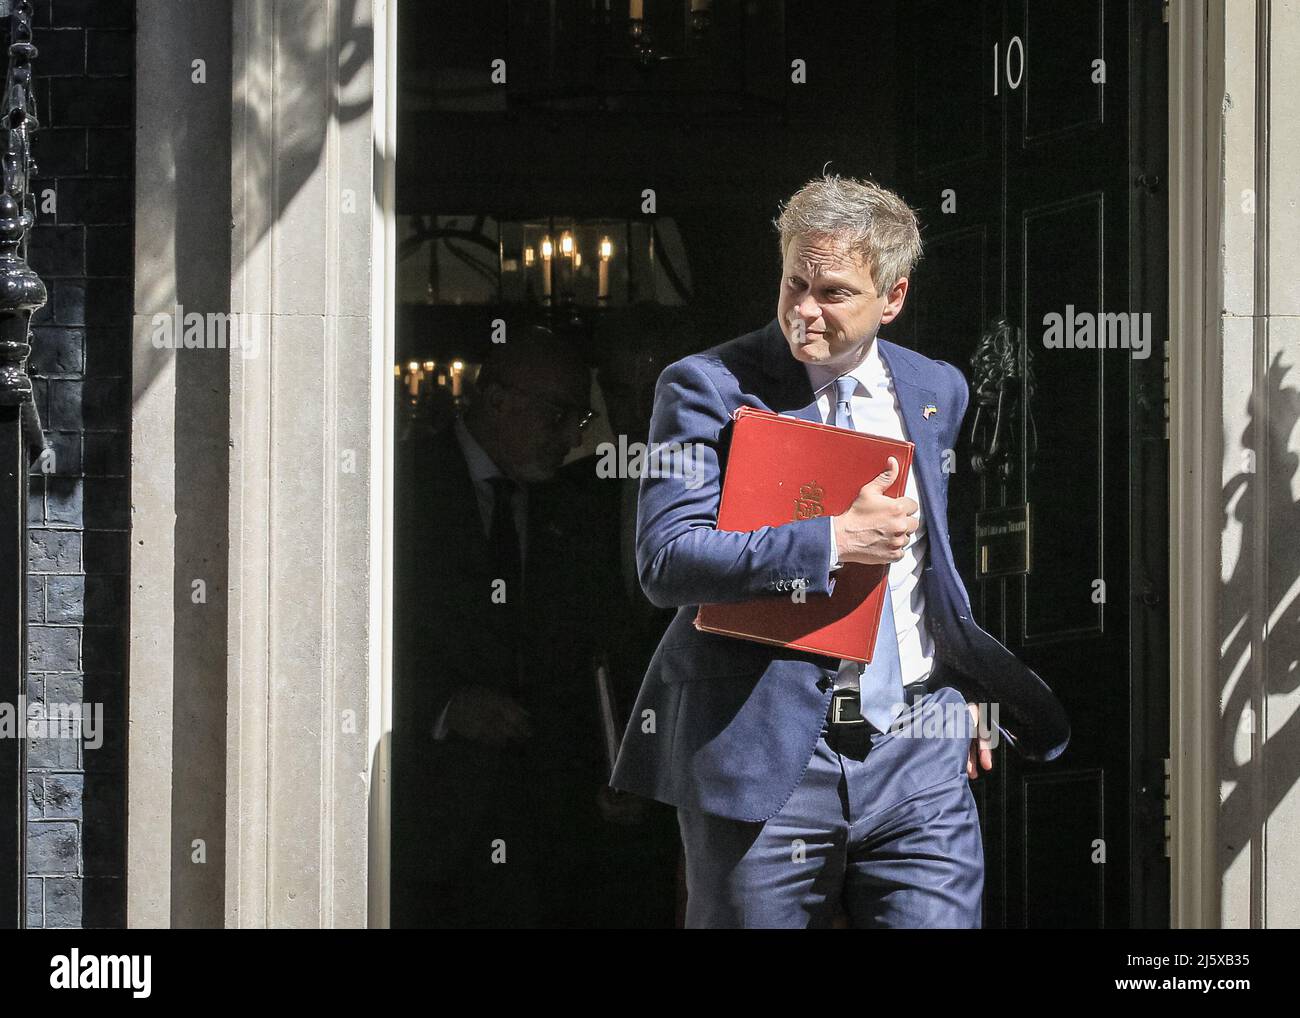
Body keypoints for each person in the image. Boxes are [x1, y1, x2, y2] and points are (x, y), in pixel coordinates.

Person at [609, 173, 1071, 928]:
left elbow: (935, 577)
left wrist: (959, 694)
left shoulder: (936, 389)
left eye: (833, 293)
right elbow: (667, 559)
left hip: (920, 752)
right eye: (794, 282)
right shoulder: (704, 388)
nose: (803, 311)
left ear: (891, 298)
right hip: (766, 754)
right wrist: (830, 540)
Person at [392, 328, 636, 927]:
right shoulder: (399, 486)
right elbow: (353, 640)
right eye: (558, 415)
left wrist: (616, 763)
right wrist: (444, 708)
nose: (568, 440)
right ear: (497, 400)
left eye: (578, 422)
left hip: (548, 826)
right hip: (428, 815)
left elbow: (588, 654)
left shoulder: (566, 507)